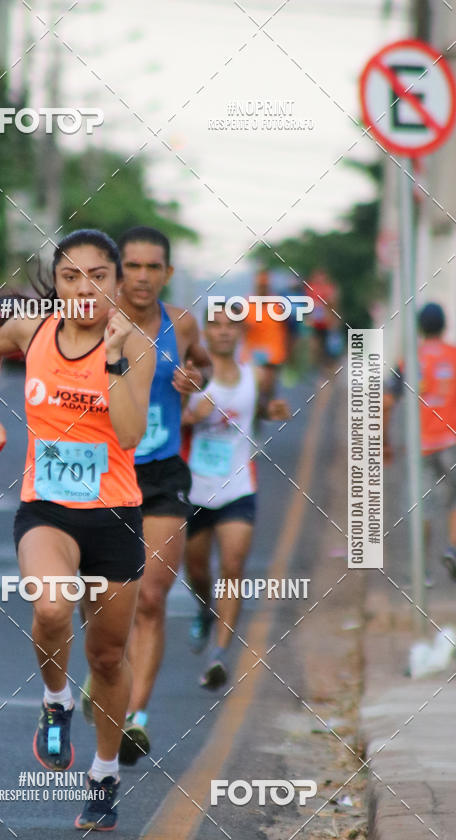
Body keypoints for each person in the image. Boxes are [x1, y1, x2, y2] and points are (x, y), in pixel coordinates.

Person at [0, 229, 155, 831]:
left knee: (106, 656)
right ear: (57, 283)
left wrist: (115, 360)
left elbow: (127, 435)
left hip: (114, 514)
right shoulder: (33, 330)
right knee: (50, 611)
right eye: (72, 277)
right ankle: (55, 702)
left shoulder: (137, 345)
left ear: (116, 282)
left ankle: (104, 773)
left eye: (98, 276)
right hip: (46, 507)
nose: (84, 289)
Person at [86, 225, 211, 766]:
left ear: (167, 273)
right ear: (118, 271)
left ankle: (135, 716)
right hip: (104, 471)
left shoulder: (179, 323)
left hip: (160, 474)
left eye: (152, 267)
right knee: (104, 600)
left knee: (154, 597)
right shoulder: (94, 319)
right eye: (131, 266)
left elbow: (199, 364)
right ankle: (105, 671)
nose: (141, 277)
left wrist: (194, 379)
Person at [182, 303, 290, 687]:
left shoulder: (256, 376)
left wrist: (271, 408)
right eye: (216, 325)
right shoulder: (191, 377)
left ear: (242, 333)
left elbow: (258, 407)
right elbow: (167, 422)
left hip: (239, 485)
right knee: (197, 569)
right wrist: (190, 416)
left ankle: (219, 654)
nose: (224, 331)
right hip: (194, 488)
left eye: (231, 325)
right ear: (205, 334)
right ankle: (204, 610)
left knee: (233, 564)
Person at [384, 301, 456, 581]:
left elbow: (387, 402)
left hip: (421, 444)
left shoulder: (409, 360)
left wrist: (385, 441)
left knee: (423, 504)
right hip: (452, 440)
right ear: (443, 325)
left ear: (420, 327)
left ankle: (422, 570)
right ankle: (452, 549)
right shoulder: (453, 355)